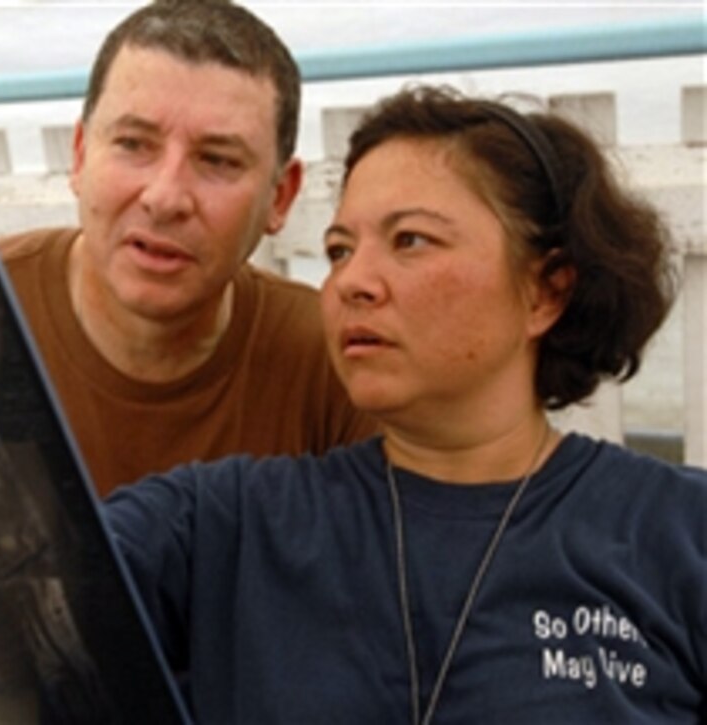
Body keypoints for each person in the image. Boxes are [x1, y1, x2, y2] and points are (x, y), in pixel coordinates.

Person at [104, 85, 707, 724]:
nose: (351, 283)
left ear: (545, 292)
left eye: (411, 240)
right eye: (339, 250)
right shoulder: (221, 527)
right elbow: (16, 598)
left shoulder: (678, 534)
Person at [0, 0, 374, 497]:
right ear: (81, 155)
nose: (165, 197)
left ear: (279, 197)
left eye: (217, 160)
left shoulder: (336, 362)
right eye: (133, 144)